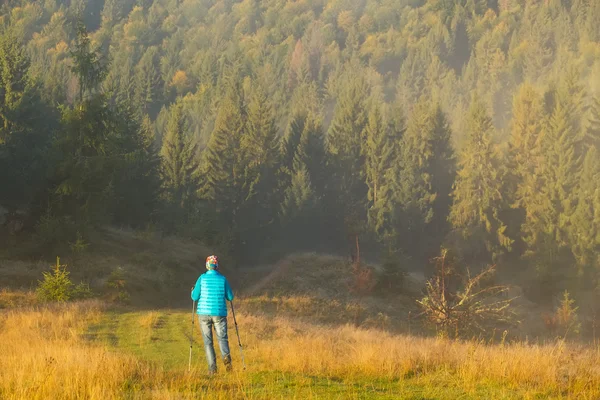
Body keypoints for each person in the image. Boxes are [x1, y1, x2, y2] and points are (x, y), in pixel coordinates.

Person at [191, 255, 235, 374]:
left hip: (204, 314)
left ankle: (212, 369)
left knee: (208, 342)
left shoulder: (202, 278)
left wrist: (192, 291)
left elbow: (195, 297)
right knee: (222, 338)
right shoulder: (223, 279)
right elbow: (230, 297)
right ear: (216, 266)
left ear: (207, 265)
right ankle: (226, 357)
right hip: (219, 313)